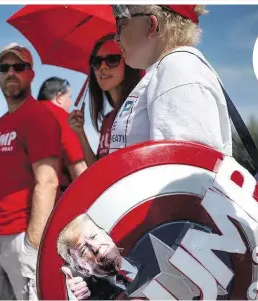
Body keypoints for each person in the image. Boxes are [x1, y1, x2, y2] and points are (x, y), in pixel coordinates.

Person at [0, 43, 62, 300]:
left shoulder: (39, 116)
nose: (11, 72)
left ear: (31, 74)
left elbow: (48, 180)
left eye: (19, 67)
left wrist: (33, 242)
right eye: (4, 68)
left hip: (21, 234)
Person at [109, 5, 232, 155]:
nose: (116, 38)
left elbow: (185, 169)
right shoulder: (168, 70)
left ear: (151, 25)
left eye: (121, 25)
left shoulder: (178, 70)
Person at [67, 34, 143, 166]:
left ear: (129, 64)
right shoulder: (108, 120)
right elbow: (98, 169)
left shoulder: (139, 111)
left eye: (112, 59)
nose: (102, 67)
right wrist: (80, 133)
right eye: (96, 62)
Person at [37, 77, 87, 190]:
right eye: (69, 97)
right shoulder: (63, 119)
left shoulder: (23, 117)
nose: (70, 103)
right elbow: (79, 168)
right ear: (59, 97)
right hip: (53, 198)